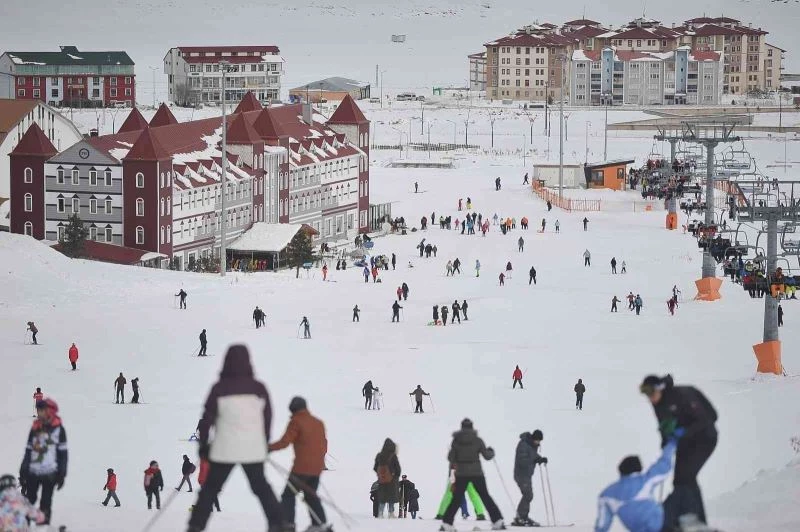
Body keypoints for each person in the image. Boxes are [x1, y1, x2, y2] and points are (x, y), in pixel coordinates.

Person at [188, 345, 285, 532]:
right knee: (261, 487)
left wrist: (203, 446)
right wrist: (263, 442)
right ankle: (278, 524)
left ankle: (195, 526)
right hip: (252, 449)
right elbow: (268, 417)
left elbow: (207, 418)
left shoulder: (219, 388)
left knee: (210, 489)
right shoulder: (259, 388)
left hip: (225, 448)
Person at [640, 375, 718, 529]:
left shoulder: (682, 394)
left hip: (705, 439)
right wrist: (666, 444)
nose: (650, 399)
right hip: (685, 443)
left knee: (685, 477)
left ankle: (692, 520)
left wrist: (684, 432)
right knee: (680, 480)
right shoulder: (657, 403)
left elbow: (709, 418)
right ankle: (694, 520)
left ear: (660, 388)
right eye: (647, 395)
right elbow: (664, 426)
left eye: (652, 394)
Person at [269, 397, 329, 532]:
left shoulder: (296, 421)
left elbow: (284, 442)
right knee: (310, 495)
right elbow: (324, 444)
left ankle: (288, 524)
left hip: (301, 468)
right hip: (317, 468)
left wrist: (267, 448)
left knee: (288, 495)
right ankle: (319, 524)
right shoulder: (318, 423)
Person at [594, 439, 678, 532]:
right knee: (679, 494)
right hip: (660, 527)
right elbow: (663, 465)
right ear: (639, 469)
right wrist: (671, 443)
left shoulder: (607, 494)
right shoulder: (644, 480)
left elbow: (602, 525)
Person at [440, 419, 504, 531]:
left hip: (461, 474)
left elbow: (451, 458)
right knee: (485, 496)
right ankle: (497, 520)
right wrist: (491, 451)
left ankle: (447, 523)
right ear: (472, 427)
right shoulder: (478, 440)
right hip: (477, 473)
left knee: (456, 498)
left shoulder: (456, 441)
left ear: (461, 427)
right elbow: (487, 456)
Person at [19, 398, 67, 525]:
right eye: (38, 410)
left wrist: (62, 473)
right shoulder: (35, 428)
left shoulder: (59, 430)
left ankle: (43, 526)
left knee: (45, 502)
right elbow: (28, 450)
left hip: (50, 472)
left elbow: (63, 454)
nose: (39, 413)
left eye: (42, 410)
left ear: (49, 411)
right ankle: (24, 524)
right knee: (30, 499)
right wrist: (23, 470)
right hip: (33, 471)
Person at [512, 430, 547, 527]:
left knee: (528, 495)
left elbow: (532, 455)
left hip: (526, 475)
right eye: (537, 440)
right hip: (521, 474)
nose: (538, 442)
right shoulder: (523, 444)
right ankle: (521, 518)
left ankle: (522, 517)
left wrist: (540, 459)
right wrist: (535, 459)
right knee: (528, 495)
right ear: (533, 438)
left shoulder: (531, 445)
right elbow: (522, 460)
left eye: (540, 441)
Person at [373, 438, 401, 518]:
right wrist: (395, 476)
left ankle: (380, 513)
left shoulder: (379, 455)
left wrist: (381, 475)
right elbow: (398, 469)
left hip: (382, 480)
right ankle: (391, 514)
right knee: (391, 497)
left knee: (382, 498)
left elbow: (375, 467)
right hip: (392, 480)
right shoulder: (393, 456)